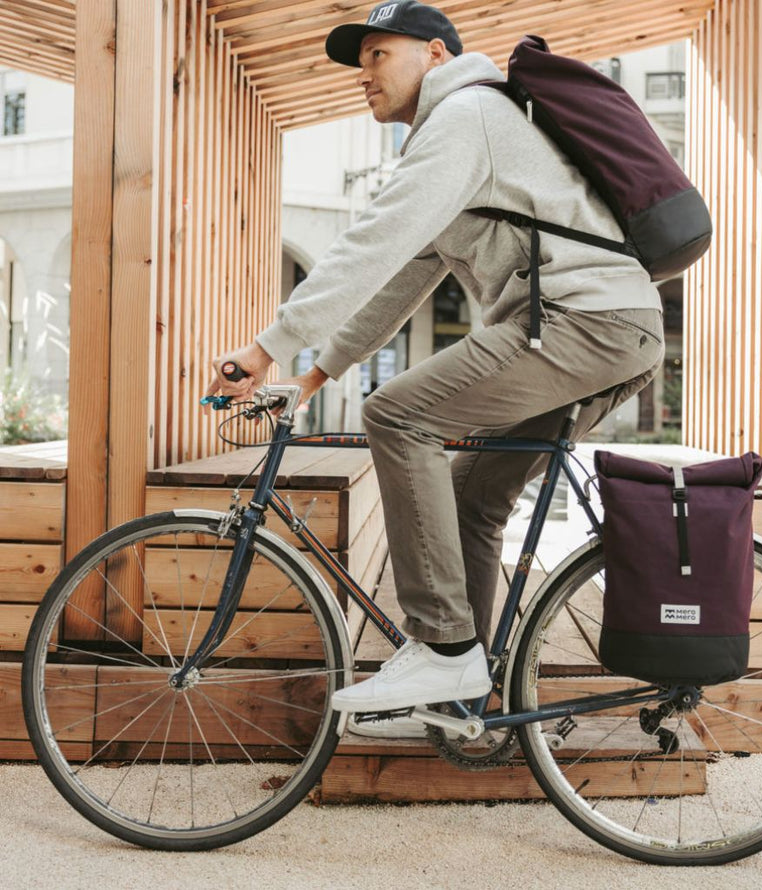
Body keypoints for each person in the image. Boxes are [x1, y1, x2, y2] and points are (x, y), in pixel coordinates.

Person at [204, 0, 664, 728]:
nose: (365, 74)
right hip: (607, 326)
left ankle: (444, 646)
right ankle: (465, 700)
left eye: (379, 54)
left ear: (437, 54)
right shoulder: (462, 133)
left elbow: (373, 240)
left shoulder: (465, 116)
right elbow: (400, 277)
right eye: (360, 63)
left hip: (584, 322)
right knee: (471, 496)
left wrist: (266, 347)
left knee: (396, 413)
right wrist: (314, 374)